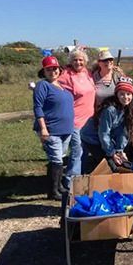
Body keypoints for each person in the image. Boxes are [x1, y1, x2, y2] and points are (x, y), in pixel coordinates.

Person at [33, 56, 74, 200]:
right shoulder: (42, 86)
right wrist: (43, 128)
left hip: (65, 129)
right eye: (49, 69)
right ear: (43, 71)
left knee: (60, 158)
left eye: (55, 68)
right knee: (56, 159)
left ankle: (58, 186)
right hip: (51, 129)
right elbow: (38, 107)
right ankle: (53, 191)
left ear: (59, 70)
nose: (52, 71)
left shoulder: (62, 86)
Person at [80, 77, 133, 173]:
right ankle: (89, 178)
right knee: (108, 162)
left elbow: (124, 130)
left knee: (119, 161)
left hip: (108, 135)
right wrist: (112, 153)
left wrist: (120, 150)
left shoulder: (132, 106)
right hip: (92, 136)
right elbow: (104, 133)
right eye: (122, 94)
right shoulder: (110, 110)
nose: (125, 97)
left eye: (128, 94)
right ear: (116, 95)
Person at [58, 49, 96, 185]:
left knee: (85, 151)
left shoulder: (87, 73)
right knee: (77, 151)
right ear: (70, 61)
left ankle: (82, 179)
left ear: (85, 62)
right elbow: (60, 95)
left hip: (90, 119)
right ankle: (70, 183)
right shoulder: (66, 76)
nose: (78, 62)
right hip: (75, 120)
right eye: (75, 60)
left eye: (80, 60)